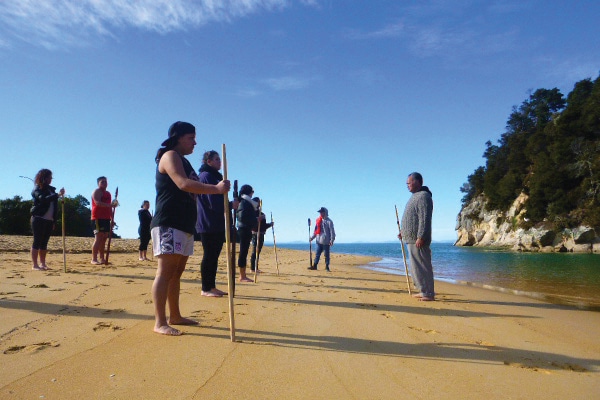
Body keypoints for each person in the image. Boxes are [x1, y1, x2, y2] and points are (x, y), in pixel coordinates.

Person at [151, 121, 230, 336]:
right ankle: (160, 321)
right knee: (165, 272)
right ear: (178, 138)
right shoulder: (170, 156)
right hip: (169, 221)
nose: (195, 142)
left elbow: (192, 189)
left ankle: (175, 315)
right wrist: (216, 188)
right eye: (190, 138)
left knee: (177, 273)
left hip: (185, 223)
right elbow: (183, 184)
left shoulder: (185, 161)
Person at [195, 150, 238, 297]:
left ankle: (211, 286)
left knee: (214, 256)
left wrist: (230, 203)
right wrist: (230, 204)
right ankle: (206, 287)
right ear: (209, 162)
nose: (220, 162)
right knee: (210, 255)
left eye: (220, 159)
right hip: (208, 222)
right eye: (217, 159)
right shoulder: (206, 176)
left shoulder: (213, 177)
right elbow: (214, 202)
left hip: (215, 222)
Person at [399, 172, 435, 301]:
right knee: (416, 267)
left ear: (417, 182)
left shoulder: (423, 196)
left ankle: (428, 293)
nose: (407, 185)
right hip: (410, 238)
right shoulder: (415, 196)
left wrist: (421, 236)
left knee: (422, 266)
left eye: (409, 182)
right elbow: (411, 218)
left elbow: (424, 218)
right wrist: (403, 232)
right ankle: (422, 290)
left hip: (418, 239)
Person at [30, 169, 65, 271]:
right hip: (38, 218)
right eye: (49, 177)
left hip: (49, 219)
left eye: (51, 177)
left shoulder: (51, 190)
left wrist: (54, 221)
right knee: (37, 241)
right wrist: (57, 195)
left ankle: (43, 264)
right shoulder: (37, 189)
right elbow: (43, 199)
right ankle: (35, 264)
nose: (51, 179)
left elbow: (55, 206)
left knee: (44, 242)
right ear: (44, 178)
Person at [91, 176, 118, 265]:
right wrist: (110, 205)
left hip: (106, 218)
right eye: (102, 182)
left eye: (105, 182)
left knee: (104, 238)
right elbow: (97, 203)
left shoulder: (108, 194)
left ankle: (102, 258)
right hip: (98, 217)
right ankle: (94, 259)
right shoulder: (97, 191)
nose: (104, 183)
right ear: (98, 183)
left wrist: (112, 219)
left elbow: (110, 208)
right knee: (98, 238)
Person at [236, 184, 259, 282]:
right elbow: (242, 216)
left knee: (244, 252)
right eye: (252, 192)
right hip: (243, 229)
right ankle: (242, 275)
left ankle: (243, 274)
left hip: (246, 228)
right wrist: (256, 219)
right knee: (243, 252)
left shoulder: (246, 202)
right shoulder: (244, 202)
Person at [250, 197, 273, 272]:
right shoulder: (252, 213)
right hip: (255, 234)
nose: (259, 205)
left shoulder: (262, 214)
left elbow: (263, 226)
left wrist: (270, 224)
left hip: (261, 233)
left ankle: (255, 267)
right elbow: (252, 224)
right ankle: (253, 268)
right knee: (255, 251)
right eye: (258, 203)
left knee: (258, 251)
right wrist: (258, 218)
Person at [309, 207, 335, 271]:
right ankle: (315, 266)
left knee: (326, 255)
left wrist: (332, 240)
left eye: (322, 212)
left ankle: (327, 266)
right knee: (317, 254)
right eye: (320, 212)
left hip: (326, 242)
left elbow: (332, 232)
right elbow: (316, 231)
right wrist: (312, 238)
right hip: (318, 241)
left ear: (325, 213)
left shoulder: (329, 221)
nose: (321, 213)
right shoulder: (318, 221)